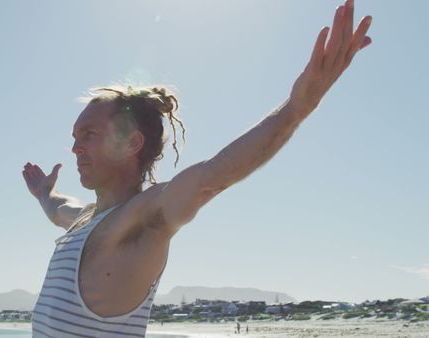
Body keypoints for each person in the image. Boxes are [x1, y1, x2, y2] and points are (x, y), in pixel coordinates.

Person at [23, 0, 372, 336]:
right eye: (74, 136)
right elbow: (58, 209)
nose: (75, 147)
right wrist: (44, 193)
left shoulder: (144, 219)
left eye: (89, 133)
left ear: (131, 143)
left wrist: (296, 108)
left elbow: (212, 176)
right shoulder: (84, 221)